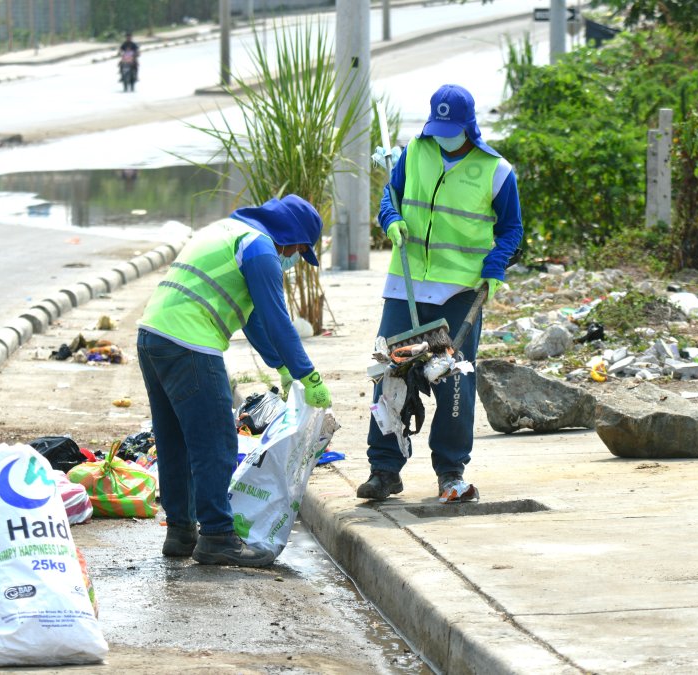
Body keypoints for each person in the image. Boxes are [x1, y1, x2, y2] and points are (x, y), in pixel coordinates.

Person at [136, 194, 332, 567]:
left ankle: (180, 531)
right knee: (215, 440)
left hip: (152, 336)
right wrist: (309, 375)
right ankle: (217, 537)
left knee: (174, 439)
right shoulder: (260, 250)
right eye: (298, 251)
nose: (293, 261)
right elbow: (277, 319)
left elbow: (253, 317)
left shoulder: (228, 231)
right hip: (190, 342)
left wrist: (282, 366)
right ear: (291, 237)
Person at [359, 83, 523, 503]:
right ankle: (384, 470)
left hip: (459, 292)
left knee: (453, 383)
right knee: (390, 374)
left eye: (450, 128)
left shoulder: (497, 170)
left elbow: (511, 230)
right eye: (438, 126)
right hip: (406, 285)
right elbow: (389, 196)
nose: (442, 134)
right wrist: (391, 219)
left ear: (469, 126)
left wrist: (494, 266)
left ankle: (450, 471)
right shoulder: (415, 151)